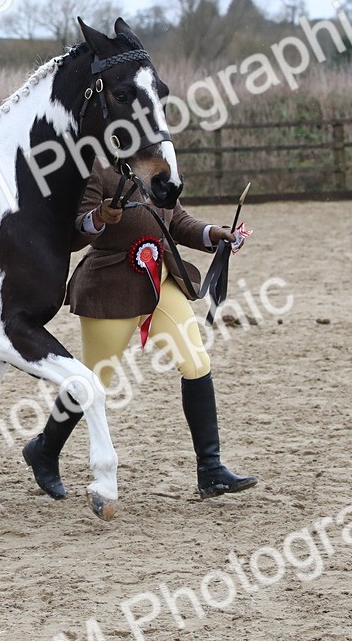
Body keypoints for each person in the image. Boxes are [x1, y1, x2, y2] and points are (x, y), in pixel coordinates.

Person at [23, 158, 258, 501]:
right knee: (94, 380)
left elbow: (176, 220)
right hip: (110, 287)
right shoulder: (97, 170)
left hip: (161, 280)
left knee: (197, 364)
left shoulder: (157, 167)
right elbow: (78, 228)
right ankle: (44, 449)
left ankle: (211, 469)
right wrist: (101, 217)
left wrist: (214, 235)